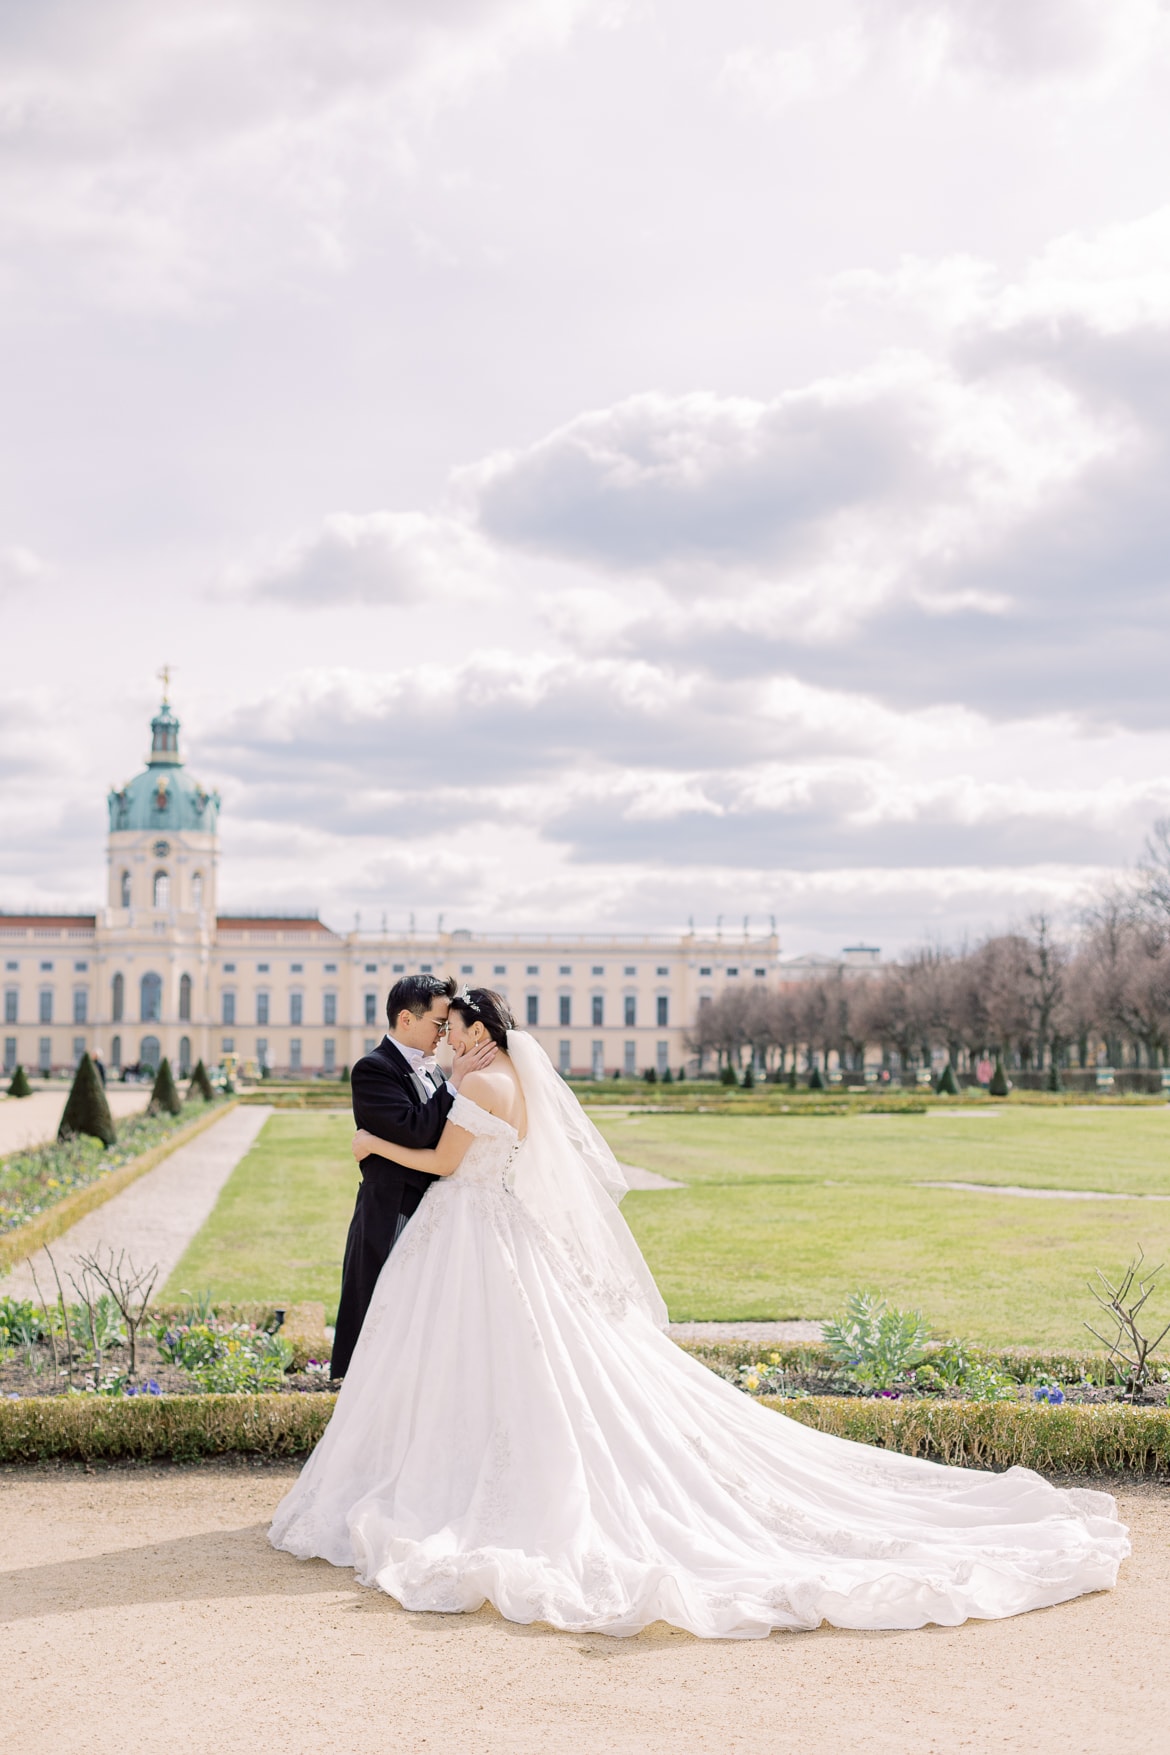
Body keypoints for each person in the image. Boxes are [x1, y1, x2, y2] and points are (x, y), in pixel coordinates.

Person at [271, 990, 1129, 1638]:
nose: (444, 1038)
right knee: (519, 1367)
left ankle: (459, 1482)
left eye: (454, 1027)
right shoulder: (506, 1079)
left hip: (471, 1233)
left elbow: (445, 1160)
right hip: (497, 1237)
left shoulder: (480, 1084)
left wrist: (372, 1144)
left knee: (485, 1363)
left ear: (479, 1032)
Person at [329, 973, 496, 1379]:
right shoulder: (372, 1069)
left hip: (436, 1211)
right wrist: (456, 1082)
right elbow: (415, 1129)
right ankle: (361, 1390)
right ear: (406, 1019)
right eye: (438, 1024)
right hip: (392, 1210)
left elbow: (445, 1138)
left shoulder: (436, 1073)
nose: (443, 1034)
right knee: (378, 1306)